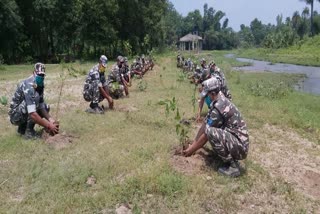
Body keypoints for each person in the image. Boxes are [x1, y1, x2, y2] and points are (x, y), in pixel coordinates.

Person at [183, 77, 249, 177]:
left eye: (208, 94)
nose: (207, 97)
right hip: (235, 141)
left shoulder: (220, 105)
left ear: (213, 93)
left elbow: (206, 134)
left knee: (211, 132)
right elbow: (205, 123)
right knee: (209, 129)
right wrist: (194, 142)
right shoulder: (218, 100)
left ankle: (233, 166)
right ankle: (229, 157)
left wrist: (190, 151)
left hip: (240, 147)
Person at [8, 63, 59, 139]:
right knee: (32, 105)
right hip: (15, 115)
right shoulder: (29, 85)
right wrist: (48, 125)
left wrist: (50, 119)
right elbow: (32, 114)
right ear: (34, 73)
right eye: (39, 75)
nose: (40, 77)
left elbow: (41, 105)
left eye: (42, 75)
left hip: (23, 111)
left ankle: (22, 129)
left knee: (45, 107)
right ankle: (29, 133)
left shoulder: (40, 85)